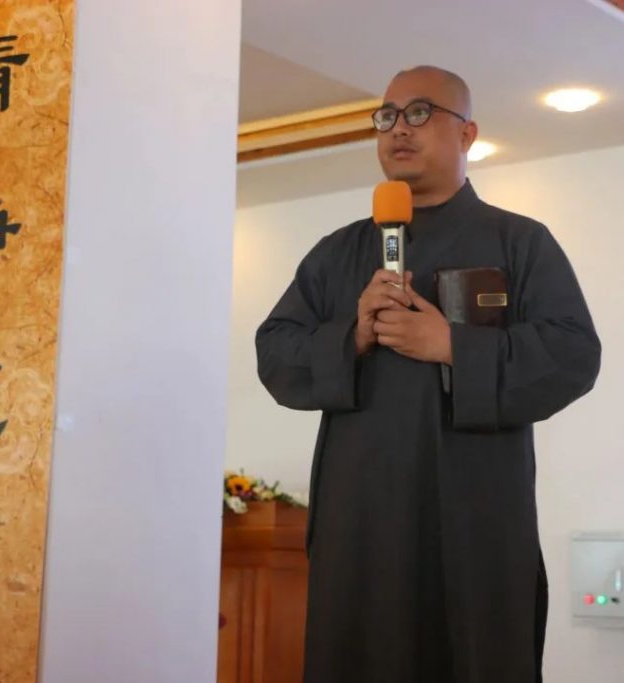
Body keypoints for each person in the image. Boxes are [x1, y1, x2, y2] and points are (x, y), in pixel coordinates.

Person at [255, 65, 601, 683]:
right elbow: (275, 351)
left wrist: (453, 346)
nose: (398, 129)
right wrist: (354, 335)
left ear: (467, 134)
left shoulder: (520, 242)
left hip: (476, 517)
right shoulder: (337, 253)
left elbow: (574, 353)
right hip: (361, 521)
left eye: (419, 113)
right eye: (386, 116)